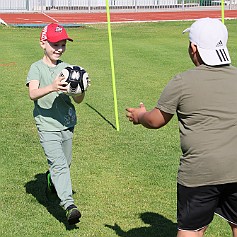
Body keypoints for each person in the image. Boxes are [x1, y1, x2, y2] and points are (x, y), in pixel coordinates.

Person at [126, 18, 237, 237]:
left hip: (199, 172)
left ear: (193, 48)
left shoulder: (182, 81)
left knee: (191, 230)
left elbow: (156, 120)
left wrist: (140, 116)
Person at [26, 23, 85, 225]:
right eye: (54, 44)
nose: (59, 48)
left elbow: (78, 101)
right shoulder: (36, 68)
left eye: (63, 44)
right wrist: (51, 87)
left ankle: (51, 179)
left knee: (64, 165)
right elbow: (32, 93)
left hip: (67, 124)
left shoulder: (67, 69)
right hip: (47, 125)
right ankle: (69, 205)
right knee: (59, 164)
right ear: (43, 43)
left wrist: (81, 90)